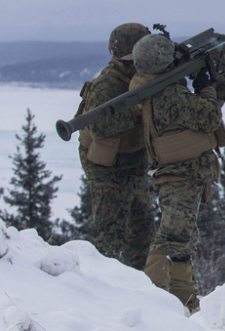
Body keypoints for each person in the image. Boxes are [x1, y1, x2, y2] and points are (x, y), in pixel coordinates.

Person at [131, 33, 225, 312]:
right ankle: (154, 304)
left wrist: (222, 82)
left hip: (183, 174)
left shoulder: (153, 87)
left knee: (182, 243)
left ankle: (183, 302)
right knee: (172, 238)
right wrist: (207, 86)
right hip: (179, 175)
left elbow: (199, 112)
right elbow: (207, 117)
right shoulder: (169, 93)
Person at [75, 22, 155, 270]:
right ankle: (103, 286)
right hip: (107, 168)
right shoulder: (108, 84)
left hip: (132, 163)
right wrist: (133, 111)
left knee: (142, 231)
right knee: (112, 235)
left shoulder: (139, 76)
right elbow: (97, 126)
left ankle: (137, 283)